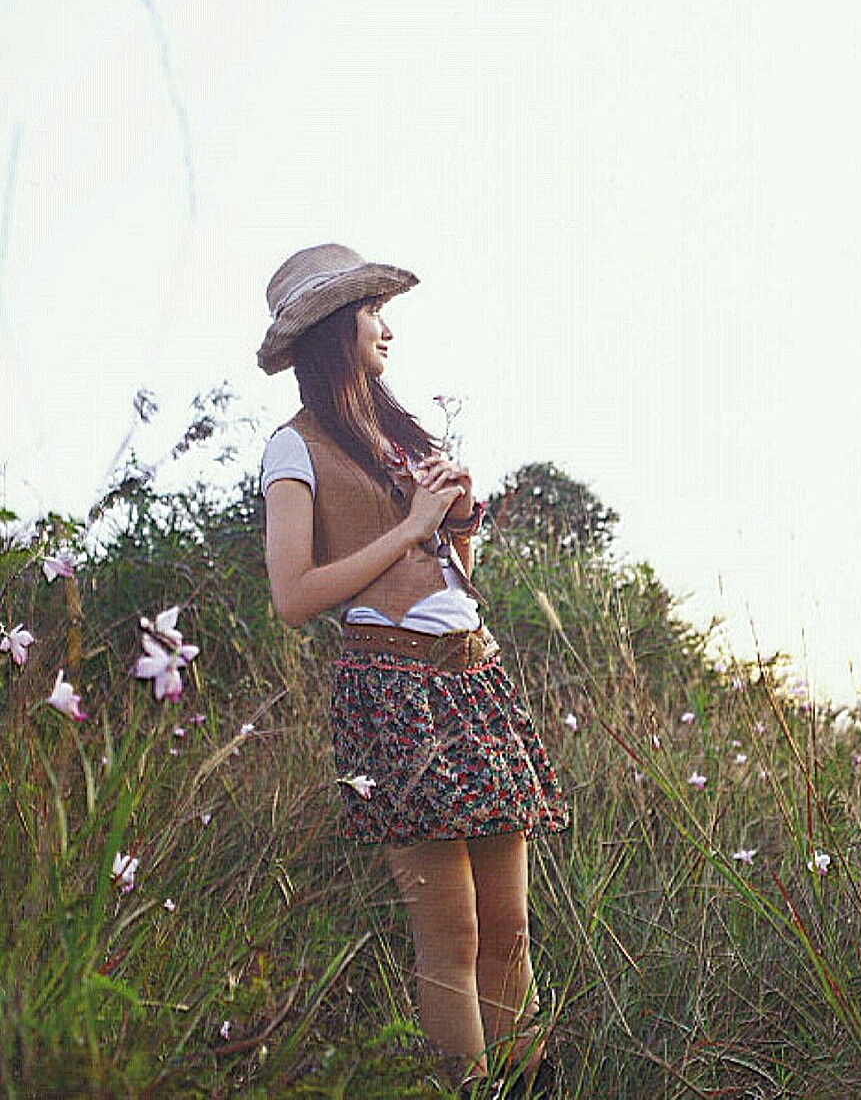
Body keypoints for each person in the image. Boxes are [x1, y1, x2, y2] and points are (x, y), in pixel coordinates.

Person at [257, 244, 569, 1096]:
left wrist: (459, 522)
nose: (386, 328)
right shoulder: (294, 448)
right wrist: (409, 525)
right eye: (372, 313)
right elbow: (293, 596)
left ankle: (528, 1086)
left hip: (474, 679)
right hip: (394, 691)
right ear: (334, 329)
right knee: (451, 936)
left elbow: (448, 577)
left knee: (510, 929)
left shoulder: (402, 437)